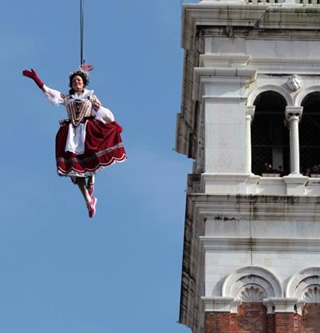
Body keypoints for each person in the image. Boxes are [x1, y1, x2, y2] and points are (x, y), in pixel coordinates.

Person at [22, 67, 127, 218]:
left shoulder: (90, 97)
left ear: (84, 83)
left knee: (91, 155)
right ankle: (89, 201)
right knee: (74, 170)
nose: (76, 82)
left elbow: (102, 111)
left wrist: (114, 124)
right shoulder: (67, 98)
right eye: (74, 81)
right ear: (71, 85)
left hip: (88, 130)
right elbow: (50, 92)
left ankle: (91, 178)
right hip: (72, 135)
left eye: (79, 80)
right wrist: (36, 80)